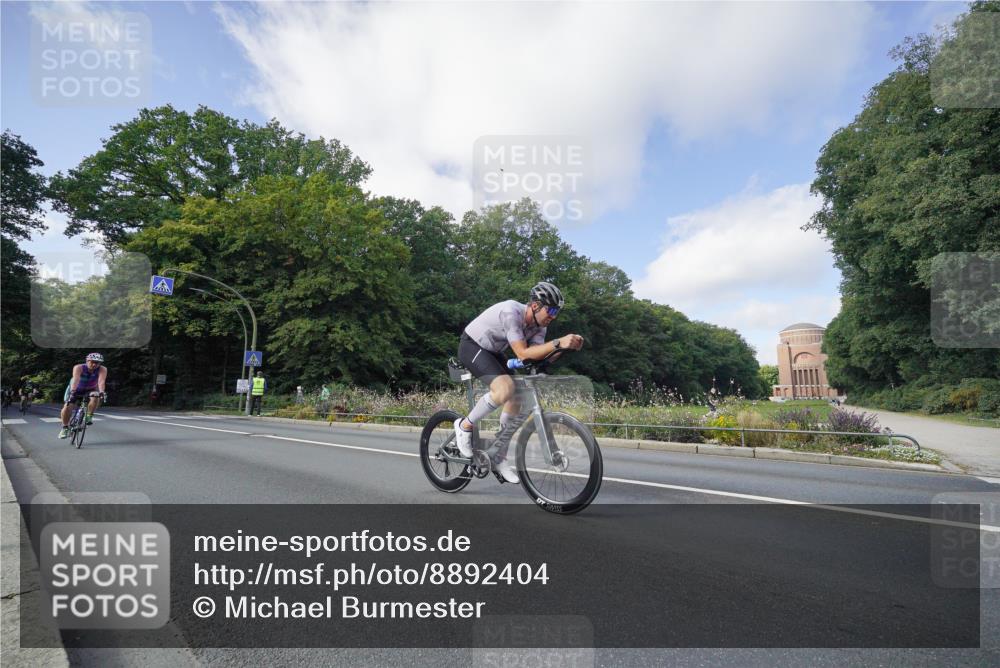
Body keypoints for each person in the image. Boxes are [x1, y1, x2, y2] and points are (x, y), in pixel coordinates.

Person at [455, 282, 584, 483]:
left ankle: (498, 455)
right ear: (535, 306)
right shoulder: (511, 312)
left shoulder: (540, 327)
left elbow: (536, 357)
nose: (553, 316)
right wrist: (559, 342)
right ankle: (464, 426)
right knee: (505, 388)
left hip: (493, 351)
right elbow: (523, 353)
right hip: (472, 345)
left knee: (516, 399)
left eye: (556, 312)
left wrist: (565, 349)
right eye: (550, 310)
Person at [59, 353, 107, 439]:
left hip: (90, 390)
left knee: (96, 395)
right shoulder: (79, 367)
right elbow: (76, 379)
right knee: (67, 406)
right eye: (92, 362)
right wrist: (73, 391)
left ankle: (89, 416)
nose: (94, 364)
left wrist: (102, 392)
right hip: (76, 388)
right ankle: (65, 428)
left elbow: (101, 381)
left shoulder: (102, 369)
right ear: (87, 361)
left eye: (97, 363)